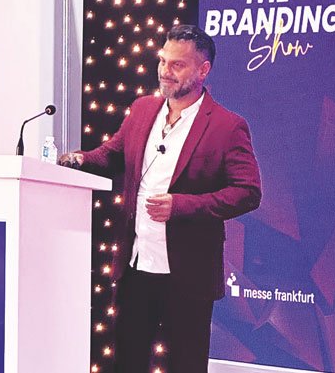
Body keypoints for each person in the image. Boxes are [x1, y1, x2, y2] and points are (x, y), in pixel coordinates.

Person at [59, 25, 262, 373]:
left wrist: (181, 205)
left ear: (203, 70)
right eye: (163, 61)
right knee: (127, 361)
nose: (165, 71)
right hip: (136, 265)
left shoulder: (227, 126)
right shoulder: (142, 109)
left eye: (177, 65)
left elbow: (248, 192)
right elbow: (114, 154)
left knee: (185, 365)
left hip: (189, 274)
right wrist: (80, 159)